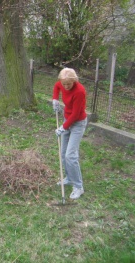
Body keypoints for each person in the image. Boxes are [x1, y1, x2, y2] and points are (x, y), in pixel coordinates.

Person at [52, 67, 87, 200]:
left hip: (77, 123)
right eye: (64, 84)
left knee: (70, 155)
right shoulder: (62, 83)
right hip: (67, 120)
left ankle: (78, 187)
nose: (65, 86)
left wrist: (63, 128)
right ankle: (69, 178)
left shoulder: (79, 91)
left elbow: (76, 114)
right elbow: (57, 87)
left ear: (74, 81)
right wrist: (55, 99)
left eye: (69, 84)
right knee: (63, 153)